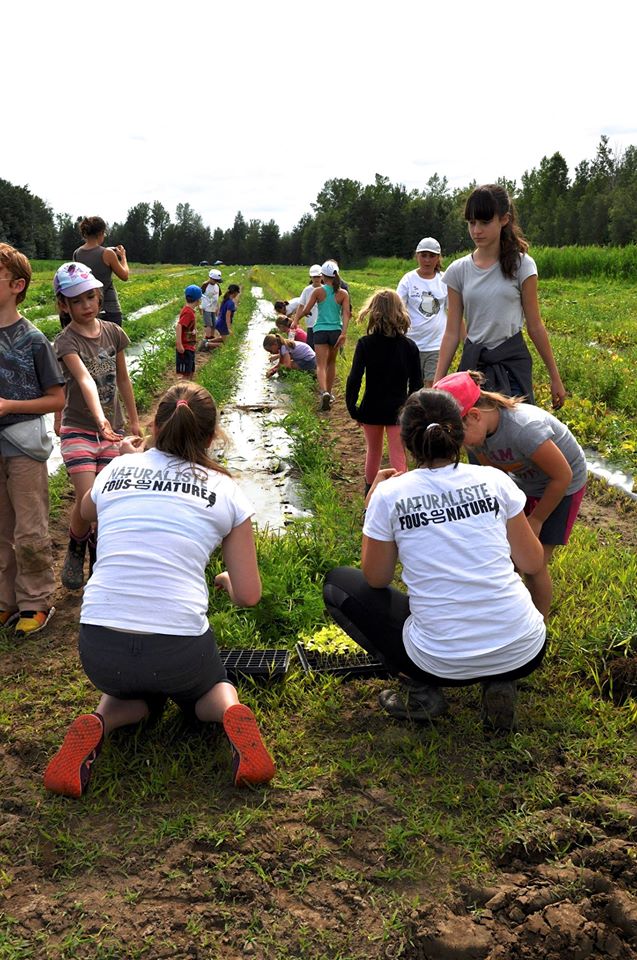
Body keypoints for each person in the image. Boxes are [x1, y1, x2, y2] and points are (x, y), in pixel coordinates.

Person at [43, 383, 276, 798]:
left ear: (154, 425)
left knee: (133, 695)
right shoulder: (225, 490)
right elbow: (250, 595)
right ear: (211, 436)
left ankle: (100, 722)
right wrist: (224, 582)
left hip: (99, 646)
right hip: (178, 652)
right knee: (205, 689)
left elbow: (81, 517)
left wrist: (126, 467)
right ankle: (230, 712)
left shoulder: (114, 470)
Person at [323, 388, 546, 731]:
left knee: (338, 583)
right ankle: (500, 679)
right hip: (525, 649)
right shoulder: (494, 479)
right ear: (458, 432)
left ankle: (420, 691)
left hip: (439, 663)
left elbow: (377, 578)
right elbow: (532, 563)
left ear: (408, 444)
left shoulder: (390, 494)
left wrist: (373, 504)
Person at [434, 370, 586, 620]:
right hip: (525, 482)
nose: (460, 445)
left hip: (561, 487)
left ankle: (539, 625)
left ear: (473, 416)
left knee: (534, 564)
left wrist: (536, 520)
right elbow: (494, 475)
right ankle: (508, 615)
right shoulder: (478, 434)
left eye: (458, 437)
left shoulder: (523, 429)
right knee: (508, 557)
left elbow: (563, 476)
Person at [433, 184, 566, 408]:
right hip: (475, 367)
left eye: (485, 222)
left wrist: (555, 377)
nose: (476, 231)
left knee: (517, 434)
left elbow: (535, 326)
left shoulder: (522, 265)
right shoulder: (458, 270)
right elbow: (452, 332)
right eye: (472, 223)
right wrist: (437, 382)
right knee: (476, 437)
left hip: (512, 366)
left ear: (504, 219)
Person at [54, 263, 140, 591]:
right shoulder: (65, 342)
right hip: (79, 428)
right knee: (88, 498)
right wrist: (99, 419)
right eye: (77, 300)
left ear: (99, 296)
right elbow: (84, 380)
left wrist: (131, 421)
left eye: (90, 297)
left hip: (113, 430)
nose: (86, 305)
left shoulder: (113, 333)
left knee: (105, 501)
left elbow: (122, 378)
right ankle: (76, 546)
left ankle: (98, 556)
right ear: (64, 305)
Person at [0, 244, 65, 637]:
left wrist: (9, 406)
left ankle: (36, 600)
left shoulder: (33, 339)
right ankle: (5, 601)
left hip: (23, 447)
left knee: (29, 528)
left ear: (16, 285)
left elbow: (57, 398)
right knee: (1, 528)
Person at [346, 289, 422, 494]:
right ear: (400, 312)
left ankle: (370, 495)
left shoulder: (365, 344)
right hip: (399, 410)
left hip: (371, 407)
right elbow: (416, 384)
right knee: (398, 452)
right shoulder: (410, 347)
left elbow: (354, 378)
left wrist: (353, 408)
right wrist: (411, 410)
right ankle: (401, 495)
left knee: (374, 452)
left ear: (373, 312)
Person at [295, 260, 350, 411]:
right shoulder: (343, 293)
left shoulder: (318, 291)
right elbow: (346, 314)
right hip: (335, 330)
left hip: (320, 330)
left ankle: (324, 391)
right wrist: (343, 333)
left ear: (323, 276)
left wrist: (297, 319)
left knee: (320, 365)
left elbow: (306, 310)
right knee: (331, 363)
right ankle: (330, 393)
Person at [397, 237, 448, 386]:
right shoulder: (408, 280)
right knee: (413, 386)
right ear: (417, 256)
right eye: (423, 255)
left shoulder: (444, 280)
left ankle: (428, 410)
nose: (427, 260)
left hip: (436, 344)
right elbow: (398, 309)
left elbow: (453, 312)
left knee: (432, 386)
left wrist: (465, 340)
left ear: (438, 258)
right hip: (411, 343)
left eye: (432, 256)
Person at [73, 216, 129, 326]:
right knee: (112, 342)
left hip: (88, 309)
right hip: (109, 309)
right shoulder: (107, 253)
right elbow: (124, 275)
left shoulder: (77, 253)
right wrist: (123, 257)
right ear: (101, 233)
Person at [293, 264, 323, 349]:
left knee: (320, 347)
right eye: (314, 277)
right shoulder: (307, 290)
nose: (316, 279)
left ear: (322, 277)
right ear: (311, 277)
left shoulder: (326, 290)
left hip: (322, 324)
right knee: (311, 346)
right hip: (311, 324)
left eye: (318, 276)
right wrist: (295, 320)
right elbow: (301, 306)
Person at [176, 284, 201, 379]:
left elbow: (186, 327)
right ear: (198, 300)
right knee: (185, 374)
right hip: (185, 348)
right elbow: (179, 326)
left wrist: (193, 330)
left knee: (190, 371)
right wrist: (179, 344)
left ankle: (187, 389)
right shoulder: (188, 312)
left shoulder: (189, 310)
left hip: (189, 347)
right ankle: (182, 391)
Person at [201, 269, 222, 340]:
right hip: (206, 308)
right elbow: (199, 296)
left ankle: (212, 337)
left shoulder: (217, 286)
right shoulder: (205, 285)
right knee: (208, 324)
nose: (216, 282)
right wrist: (200, 307)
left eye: (217, 281)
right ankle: (207, 337)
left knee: (214, 324)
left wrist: (218, 307)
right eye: (215, 280)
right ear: (210, 278)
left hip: (214, 308)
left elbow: (217, 297)